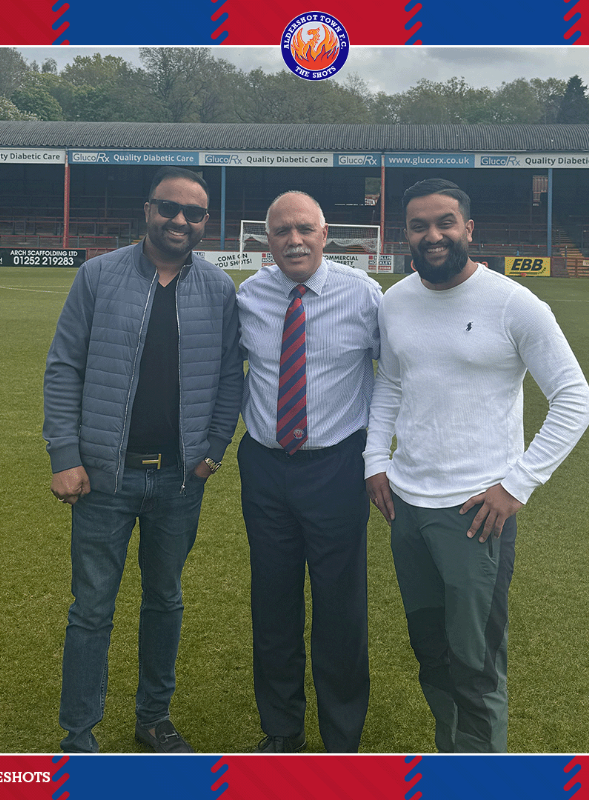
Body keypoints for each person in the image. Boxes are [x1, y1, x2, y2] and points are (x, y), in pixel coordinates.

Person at [364, 178, 589, 753]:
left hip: (474, 515)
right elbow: (391, 382)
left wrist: (516, 485)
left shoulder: (514, 302)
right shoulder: (396, 301)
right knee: (431, 650)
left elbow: (575, 398)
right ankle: (454, 755)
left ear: (469, 229)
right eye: (419, 225)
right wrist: (375, 458)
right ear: (407, 234)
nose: (432, 235)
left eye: (445, 222)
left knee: (476, 661)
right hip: (408, 508)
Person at [43, 166, 243, 753]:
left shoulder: (217, 289)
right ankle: (79, 734)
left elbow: (231, 376)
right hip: (104, 475)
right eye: (169, 208)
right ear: (148, 210)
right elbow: (64, 369)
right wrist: (65, 455)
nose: (180, 220)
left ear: (206, 222)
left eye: (194, 213)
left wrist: (213, 449)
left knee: (165, 600)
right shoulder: (98, 276)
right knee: (92, 608)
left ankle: (153, 718)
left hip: (181, 480)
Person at [236, 191, 382, 753]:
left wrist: (380, 459)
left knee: (339, 605)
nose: (293, 240)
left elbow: (393, 376)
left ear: (325, 235)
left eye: (304, 229)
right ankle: (281, 730)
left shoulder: (363, 295)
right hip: (266, 467)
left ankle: (342, 735)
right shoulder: (249, 296)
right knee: (272, 602)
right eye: (281, 232)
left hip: (337, 468)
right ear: (266, 241)